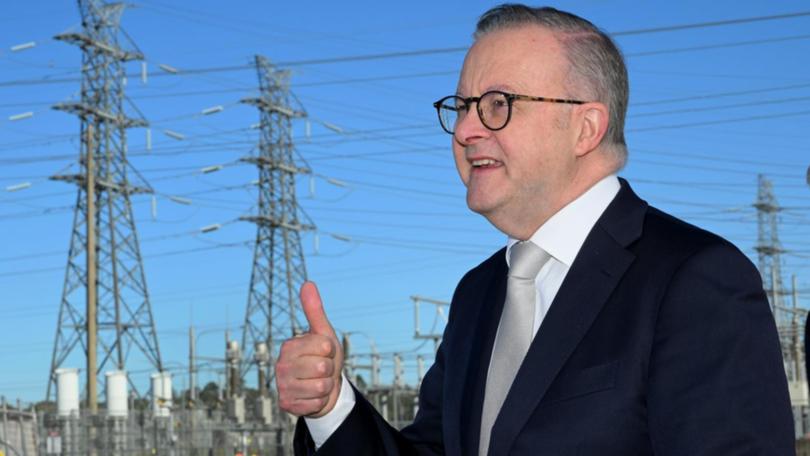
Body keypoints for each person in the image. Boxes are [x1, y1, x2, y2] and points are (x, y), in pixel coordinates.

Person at [275, 4, 795, 455]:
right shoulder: (477, 294)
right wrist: (331, 407)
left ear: (585, 128)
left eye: (498, 105)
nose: (465, 129)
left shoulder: (695, 280)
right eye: (461, 106)